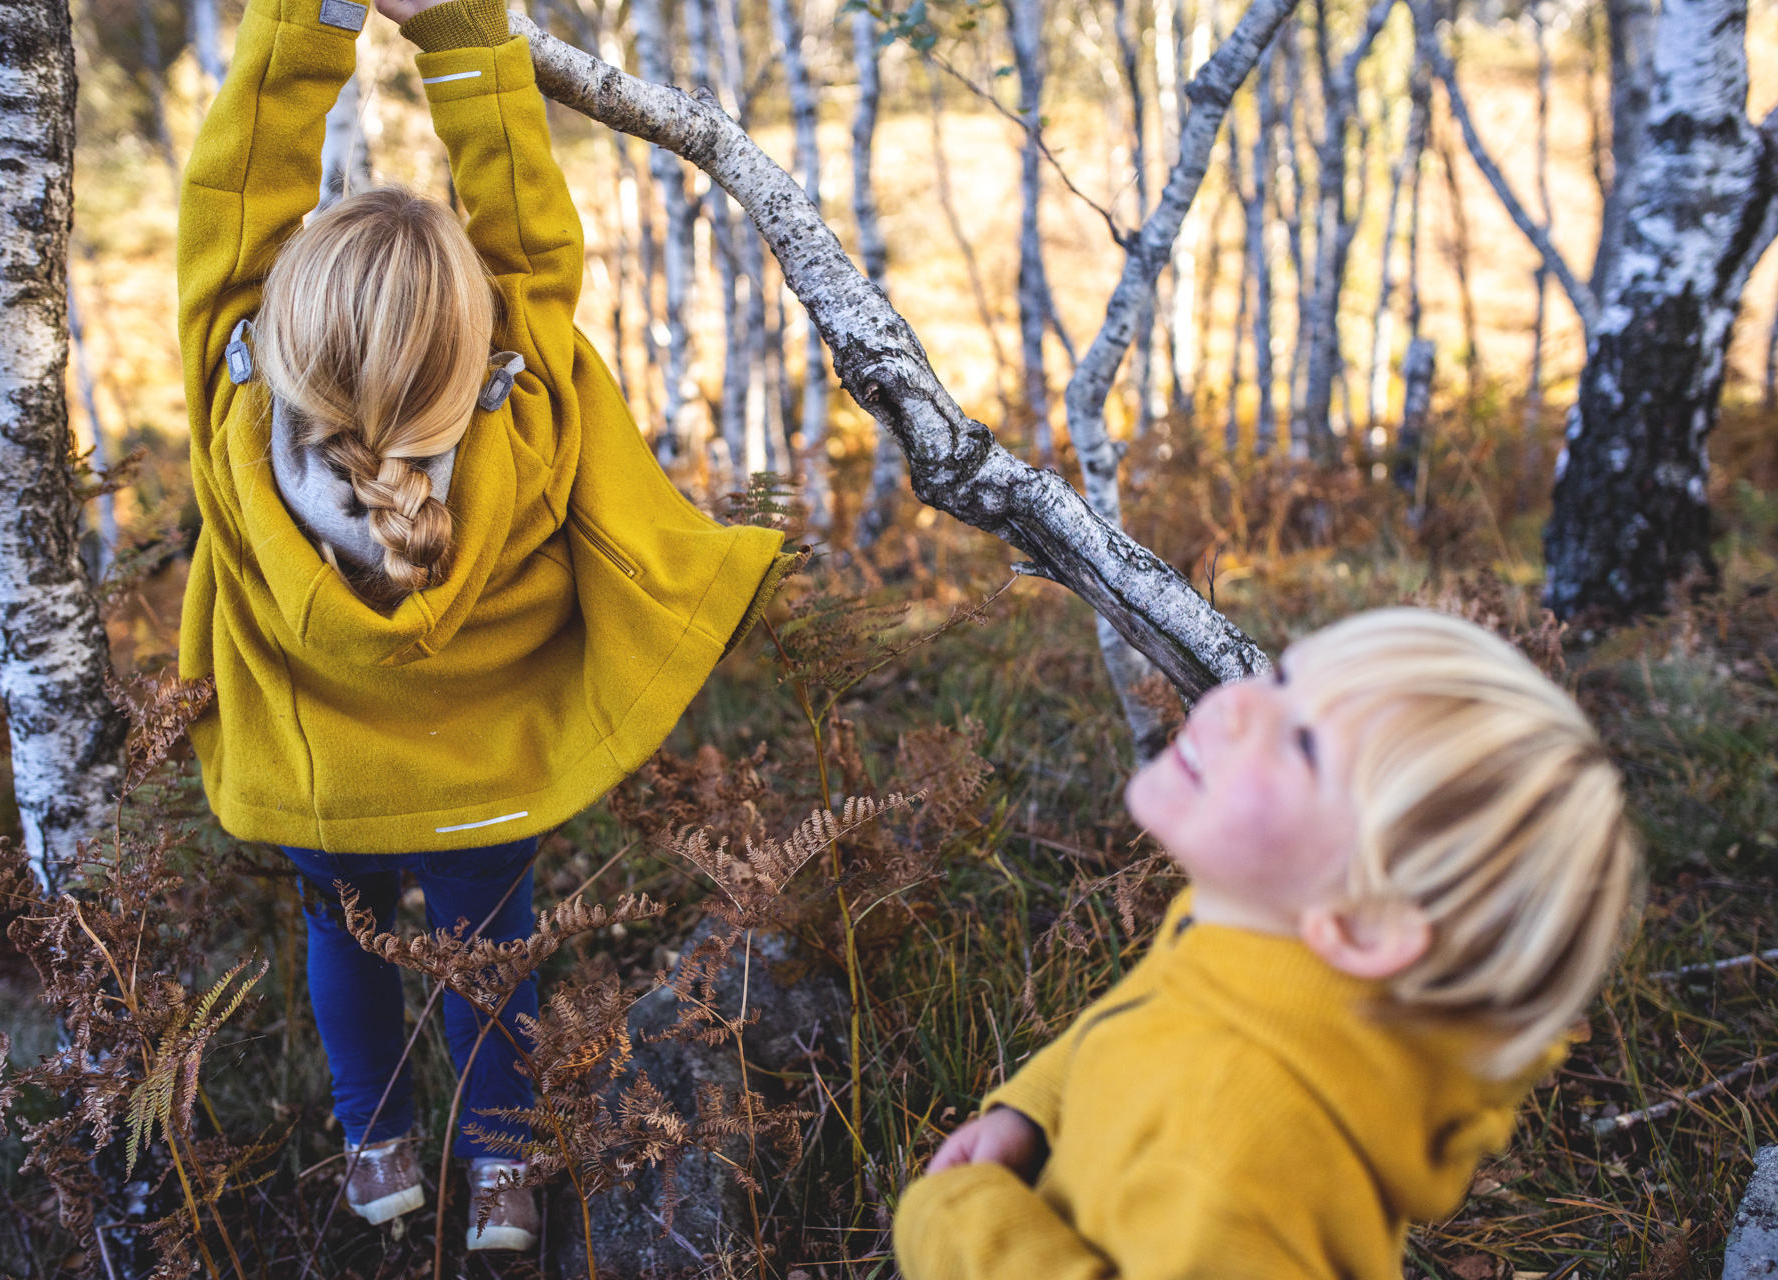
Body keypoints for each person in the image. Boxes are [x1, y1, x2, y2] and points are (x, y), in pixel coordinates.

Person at [175, 0, 795, 1248]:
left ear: (279, 333)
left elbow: (228, 202)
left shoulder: (230, 404)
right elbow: (528, 228)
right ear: (478, 343)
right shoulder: (533, 411)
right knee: (489, 955)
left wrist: (305, 21)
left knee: (340, 940)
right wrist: (459, 30)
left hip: (318, 791)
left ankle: (375, 1148)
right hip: (484, 784)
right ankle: (503, 1171)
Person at [894, 608, 1637, 1279]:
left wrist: (956, 1223)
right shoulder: (1244, 942)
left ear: (1364, 925)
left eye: (1305, 744)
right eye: (1282, 675)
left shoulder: (1241, 1153)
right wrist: (1027, 1112)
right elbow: (1132, 1021)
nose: (1230, 700)